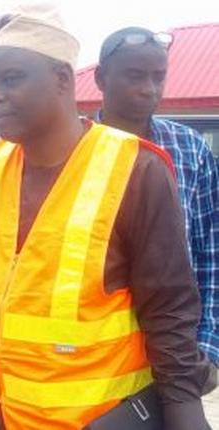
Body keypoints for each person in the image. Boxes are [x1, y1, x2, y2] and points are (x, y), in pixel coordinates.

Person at [0, 5, 215, 429]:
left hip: (92, 420)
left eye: (11, 79)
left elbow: (169, 308)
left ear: (62, 80)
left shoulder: (136, 169)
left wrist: (185, 411)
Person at [94, 26, 219, 366]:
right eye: (135, 76)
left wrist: (208, 348)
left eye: (158, 77)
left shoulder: (191, 149)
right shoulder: (73, 152)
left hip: (173, 348)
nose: (149, 89)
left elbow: (211, 250)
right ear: (101, 78)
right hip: (93, 354)